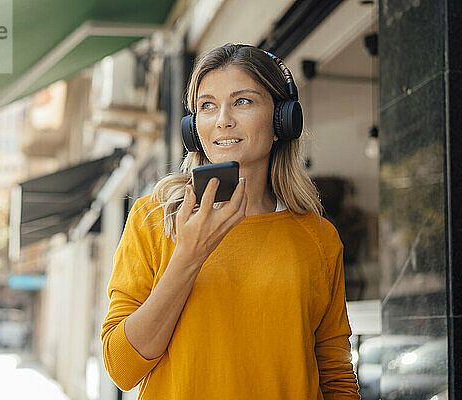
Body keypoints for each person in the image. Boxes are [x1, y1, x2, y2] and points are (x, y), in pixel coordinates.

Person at [101, 43, 360, 399]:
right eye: (207, 106)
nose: (222, 119)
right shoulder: (154, 219)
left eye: (243, 101)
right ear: (194, 127)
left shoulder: (317, 237)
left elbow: (336, 376)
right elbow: (122, 368)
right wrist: (189, 256)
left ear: (281, 121)